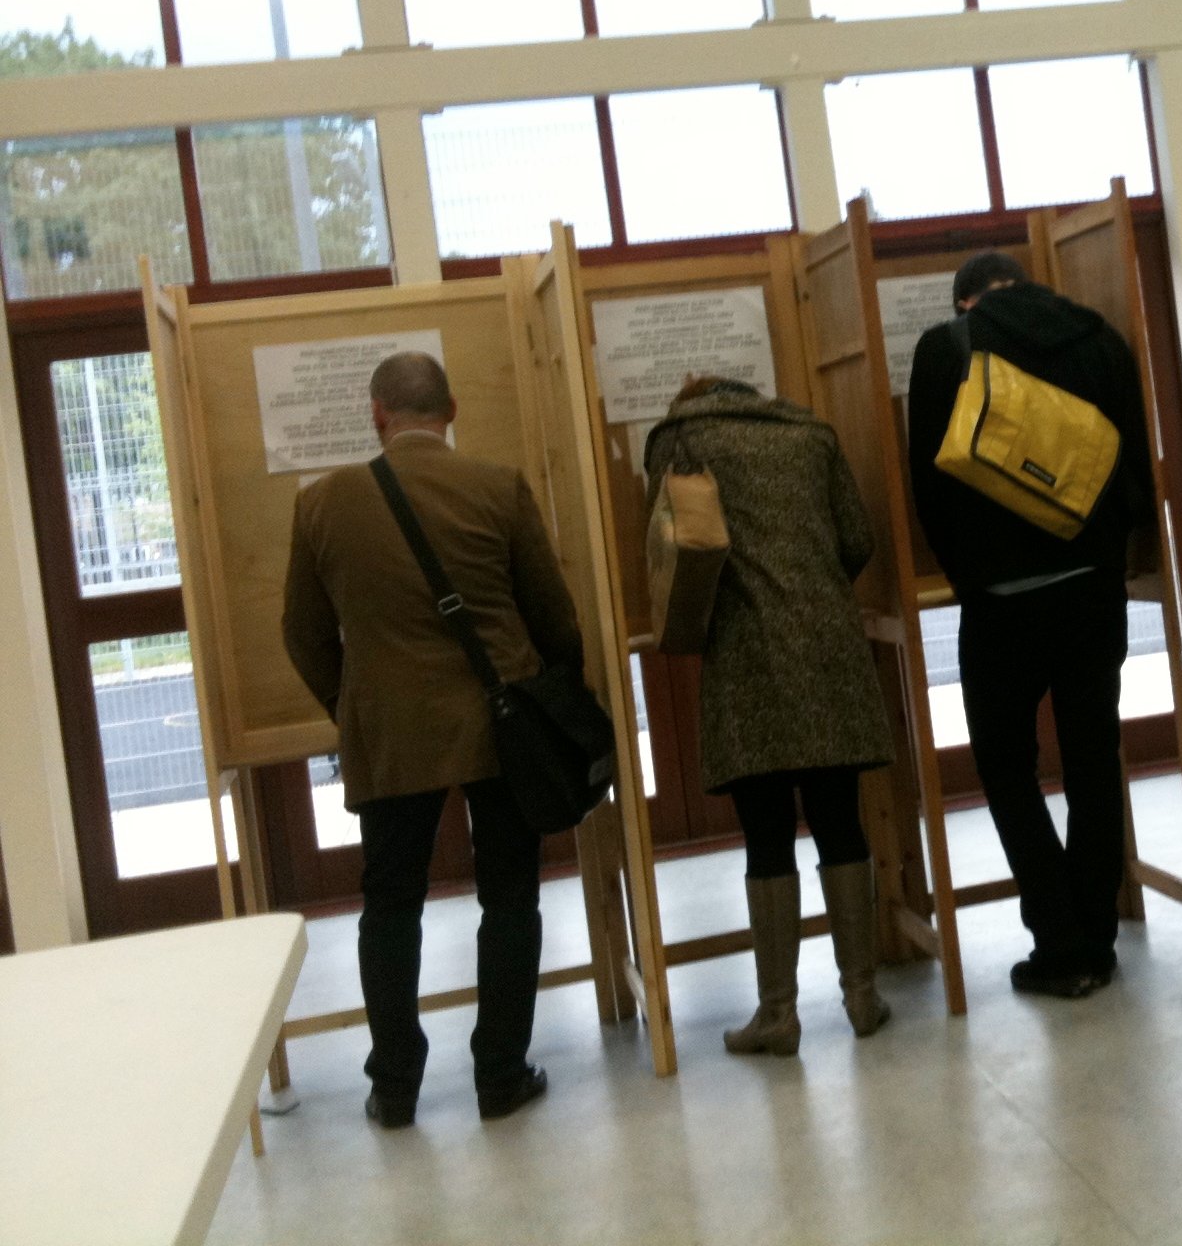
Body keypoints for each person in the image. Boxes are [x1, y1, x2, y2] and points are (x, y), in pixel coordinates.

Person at [282, 352, 575, 1129]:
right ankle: (501, 1075)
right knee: (509, 895)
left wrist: (356, 706)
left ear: (376, 413)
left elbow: (303, 634)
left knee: (389, 906)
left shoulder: (322, 504)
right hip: (499, 720)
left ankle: (397, 1088)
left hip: (392, 730)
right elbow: (552, 616)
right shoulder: (498, 486)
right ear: (449, 411)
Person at [907, 252, 1156, 999]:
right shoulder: (1102, 339)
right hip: (1091, 587)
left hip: (998, 600)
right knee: (1091, 758)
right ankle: (1098, 937)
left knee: (1006, 767)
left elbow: (929, 481)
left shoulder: (947, 348)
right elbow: (1135, 466)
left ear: (965, 301)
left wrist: (969, 573)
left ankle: (1059, 938)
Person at [643, 376, 896, 1055]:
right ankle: (862, 995)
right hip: (827, 645)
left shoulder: (679, 438)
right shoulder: (811, 434)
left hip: (744, 649)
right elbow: (856, 538)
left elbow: (670, 547)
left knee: (766, 830)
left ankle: (778, 1013)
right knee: (840, 815)